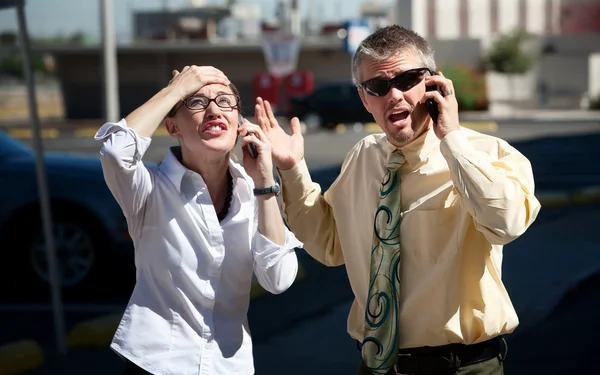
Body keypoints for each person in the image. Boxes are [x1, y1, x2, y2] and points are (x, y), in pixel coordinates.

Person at [255, 25, 541, 375]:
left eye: (407, 79)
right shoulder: (363, 157)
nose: (394, 95)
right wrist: (292, 168)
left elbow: (506, 223)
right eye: (377, 86)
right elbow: (329, 244)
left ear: (433, 83)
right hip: (376, 366)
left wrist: (452, 141)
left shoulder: (487, 153)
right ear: (364, 98)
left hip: (461, 367)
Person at [93, 65, 302, 375]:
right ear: (173, 128)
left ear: (238, 123)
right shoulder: (149, 189)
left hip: (229, 366)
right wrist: (175, 90)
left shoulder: (254, 190)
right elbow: (115, 153)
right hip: (155, 365)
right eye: (196, 102)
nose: (214, 110)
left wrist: (266, 182)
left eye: (225, 101)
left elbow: (278, 279)